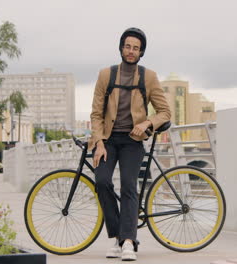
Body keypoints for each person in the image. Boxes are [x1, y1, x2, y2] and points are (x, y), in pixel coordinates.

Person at [89, 27, 171, 261]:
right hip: (108, 140)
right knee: (102, 182)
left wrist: (147, 123)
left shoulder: (148, 77)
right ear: (121, 48)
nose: (131, 51)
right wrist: (99, 143)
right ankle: (117, 235)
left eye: (136, 48)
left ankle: (128, 241)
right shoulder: (106, 75)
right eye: (127, 46)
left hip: (133, 141)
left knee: (128, 185)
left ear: (141, 51)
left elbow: (165, 112)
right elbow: (96, 113)